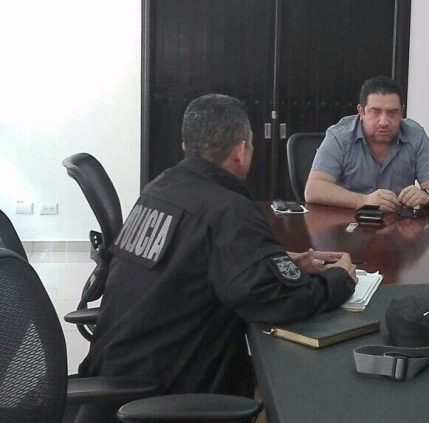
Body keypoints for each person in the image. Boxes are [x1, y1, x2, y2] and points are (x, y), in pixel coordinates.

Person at [76, 94, 357, 422]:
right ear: (240, 151)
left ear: (186, 145)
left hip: (118, 375)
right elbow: (279, 301)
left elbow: (195, 262)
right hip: (166, 395)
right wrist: (340, 278)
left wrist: (277, 263)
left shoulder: (161, 187)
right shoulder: (229, 211)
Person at [304, 75, 429, 212]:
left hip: (398, 222)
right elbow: (314, 189)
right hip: (348, 220)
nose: (383, 122)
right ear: (361, 112)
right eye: (375, 112)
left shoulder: (416, 136)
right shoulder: (339, 136)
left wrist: (427, 195)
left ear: (401, 112)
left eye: (392, 113)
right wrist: (364, 201)